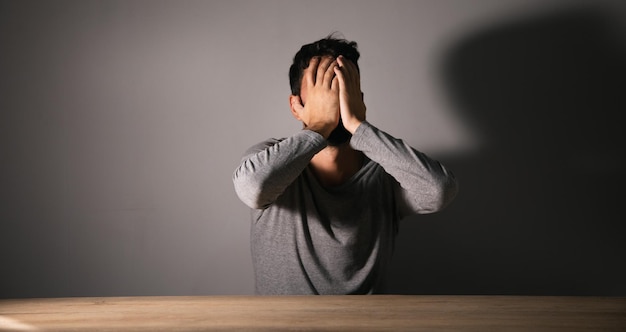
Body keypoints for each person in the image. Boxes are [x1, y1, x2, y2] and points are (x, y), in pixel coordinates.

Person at [233, 35, 458, 295]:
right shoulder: (270, 158)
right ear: (296, 107)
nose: (333, 102)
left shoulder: (386, 174)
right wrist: (319, 127)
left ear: (358, 100)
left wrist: (358, 127)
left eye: (341, 89)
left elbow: (439, 191)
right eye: (322, 90)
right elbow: (252, 187)